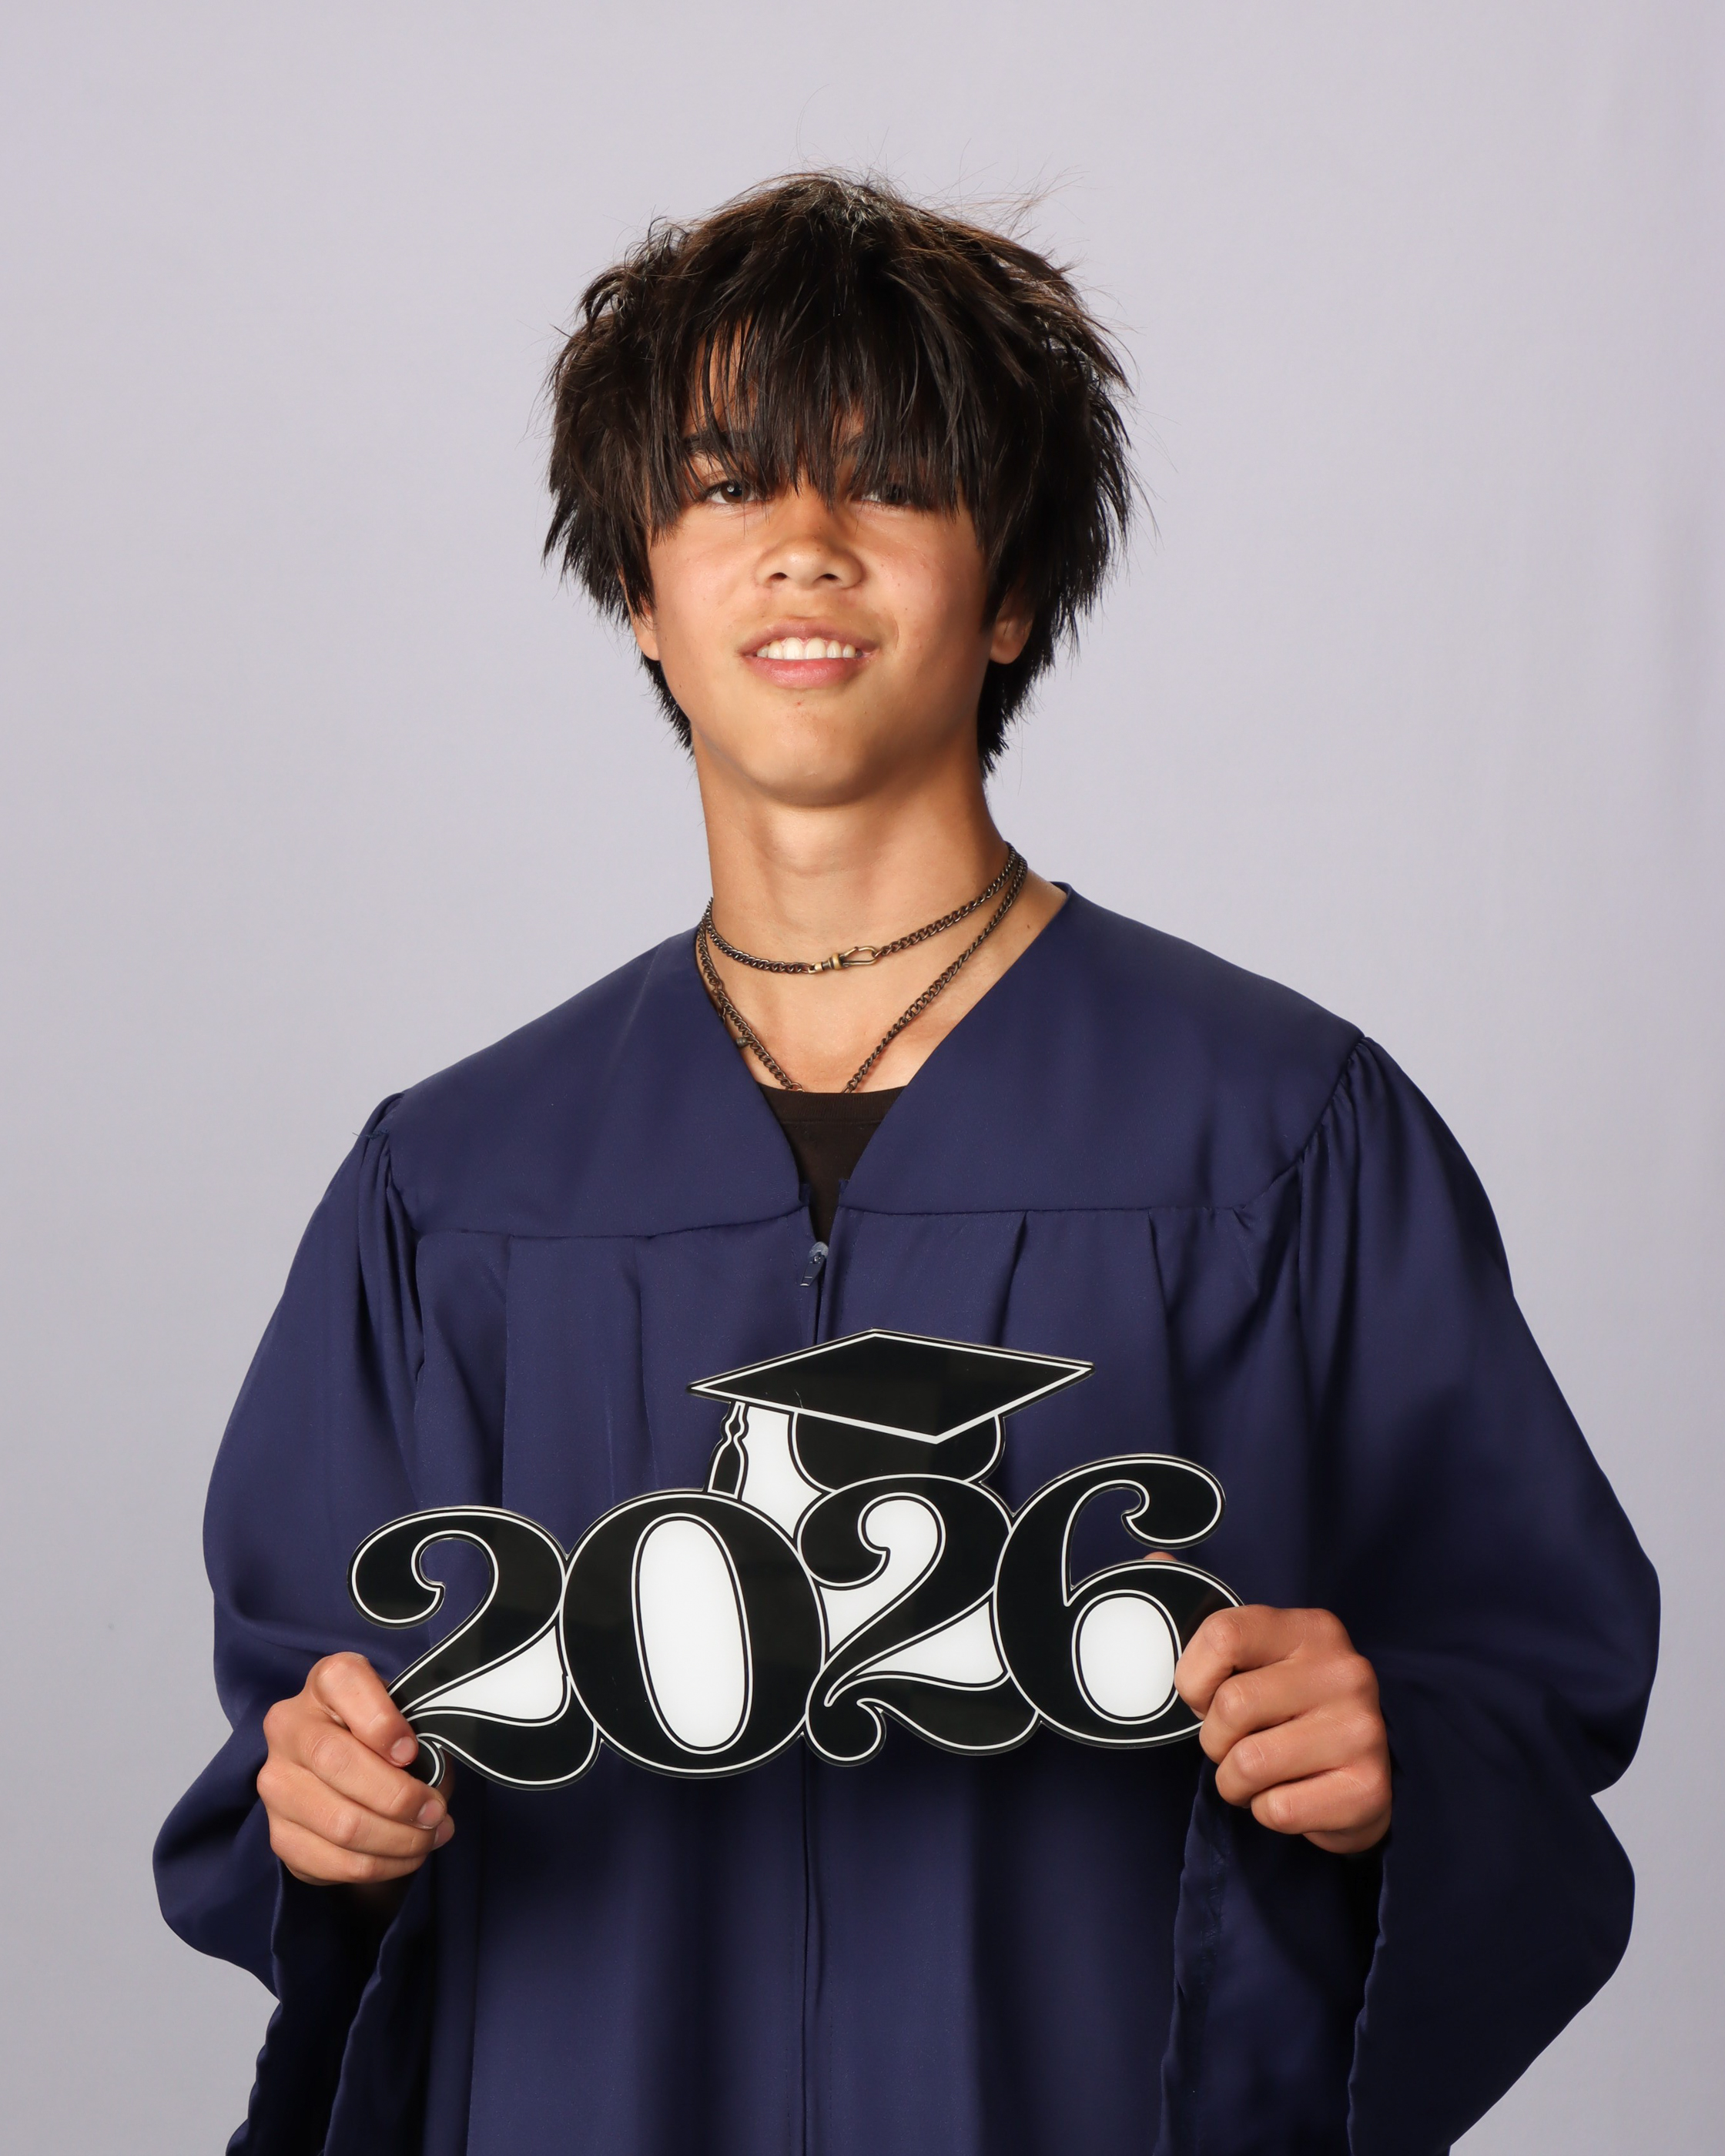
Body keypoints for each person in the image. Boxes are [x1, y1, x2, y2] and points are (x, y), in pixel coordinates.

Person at [155, 173, 1658, 2156]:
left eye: (888, 482)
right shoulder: (456, 1188)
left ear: (1009, 591)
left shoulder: (1280, 1134)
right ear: (640, 592)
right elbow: (296, 1728)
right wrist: (321, 1813)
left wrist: (1396, 1760)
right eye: (724, 486)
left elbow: (1528, 1676)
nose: (804, 542)